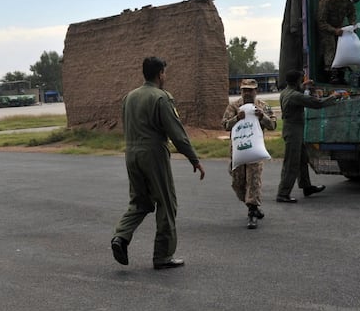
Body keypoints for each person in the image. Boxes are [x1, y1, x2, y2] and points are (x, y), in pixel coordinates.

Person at [111, 56, 205, 270]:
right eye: (165, 72)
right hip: (153, 153)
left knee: (140, 202)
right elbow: (177, 134)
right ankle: (162, 255)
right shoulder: (161, 98)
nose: (166, 76)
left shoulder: (129, 97)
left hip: (131, 153)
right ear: (160, 73)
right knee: (166, 202)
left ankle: (121, 237)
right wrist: (194, 159)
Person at [276, 70, 339, 203]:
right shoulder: (295, 96)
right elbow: (317, 103)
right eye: (301, 80)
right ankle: (283, 193)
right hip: (293, 131)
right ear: (297, 81)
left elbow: (298, 90)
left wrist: (304, 85)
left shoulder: (286, 92)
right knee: (291, 163)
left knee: (302, 159)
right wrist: (334, 97)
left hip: (292, 130)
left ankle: (306, 186)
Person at [222, 79, 277, 229]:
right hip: (238, 151)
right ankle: (252, 205)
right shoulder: (234, 106)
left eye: (250, 90)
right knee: (237, 182)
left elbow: (273, 125)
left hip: (255, 151)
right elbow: (225, 125)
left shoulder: (262, 106)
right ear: (241, 91)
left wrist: (262, 117)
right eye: (244, 90)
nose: (247, 93)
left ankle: (252, 211)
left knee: (253, 181)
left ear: (256, 91)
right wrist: (236, 118)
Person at [316, 0, 357, 84]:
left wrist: (352, 24)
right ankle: (330, 75)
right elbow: (321, 22)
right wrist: (334, 30)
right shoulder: (325, 1)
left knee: (343, 49)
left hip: (340, 27)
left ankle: (341, 74)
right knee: (331, 48)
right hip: (326, 29)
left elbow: (352, 13)